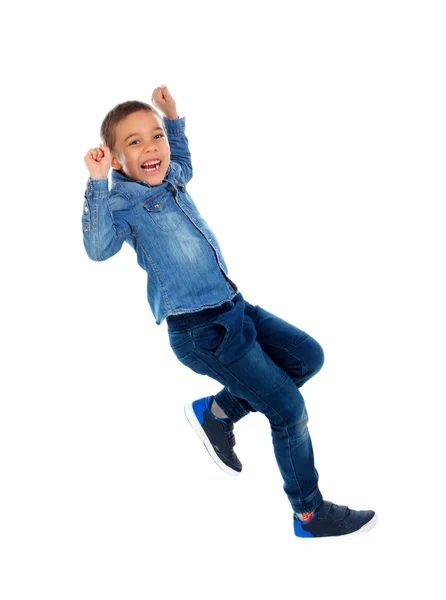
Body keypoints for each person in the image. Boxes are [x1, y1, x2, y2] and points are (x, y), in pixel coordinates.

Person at [82, 84, 377, 538]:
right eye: (134, 142)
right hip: (202, 332)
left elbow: (184, 160)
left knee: (307, 357)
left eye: (155, 135)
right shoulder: (122, 202)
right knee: (287, 410)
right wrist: (96, 184)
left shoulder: (172, 177)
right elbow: (99, 249)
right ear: (116, 159)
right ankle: (309, 514)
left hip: (235, 308)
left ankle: (217, 413)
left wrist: (174, 117)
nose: (151, 147)